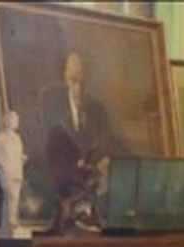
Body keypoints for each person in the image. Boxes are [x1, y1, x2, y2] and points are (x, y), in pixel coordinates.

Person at [42, 52, 128, 204]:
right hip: (62, 187)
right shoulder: (52, 107)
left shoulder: (98, 109)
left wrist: (108, 160)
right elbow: (48, 150)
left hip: (92, 187)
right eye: (74, 80)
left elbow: (109, 142)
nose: (79, 88)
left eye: (83, 82)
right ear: (65, 79)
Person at [0, 110, 28, 233]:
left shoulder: (17, 138)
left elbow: (18, 154)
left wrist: (22, 158)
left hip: (17, 172)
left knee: (12, 199)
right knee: (11, 196)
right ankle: (11, 223)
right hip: (6, 173)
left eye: (16, 120)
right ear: (7, 121)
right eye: (13, 119)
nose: (16, 122)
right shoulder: (1, 137)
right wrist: (1, 163)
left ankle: (6, 226)